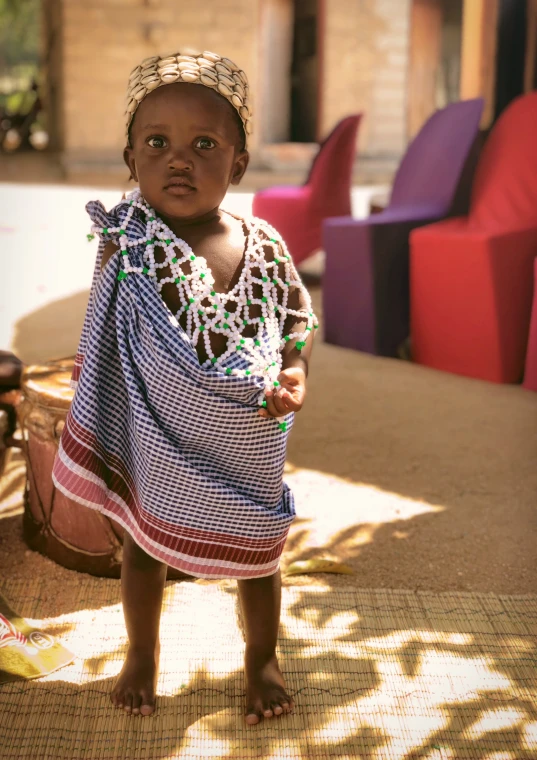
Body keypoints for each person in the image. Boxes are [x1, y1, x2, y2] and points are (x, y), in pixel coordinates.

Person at [52, 50, 317, 725]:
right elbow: (105, 326)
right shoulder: (128, 238)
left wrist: (294, 370)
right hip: (159, 435)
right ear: (131, 160)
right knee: (145, 547)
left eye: (203, 144)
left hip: (247, 431)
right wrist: (91, 381)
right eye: (157, 143)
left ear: (237, 164)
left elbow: (293, 317)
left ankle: (261, 658)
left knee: (259, 553)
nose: (178, 159)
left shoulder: (259, 242)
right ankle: (141, 653)